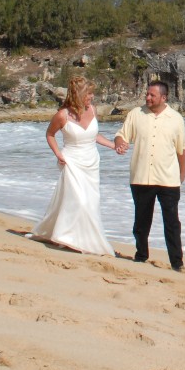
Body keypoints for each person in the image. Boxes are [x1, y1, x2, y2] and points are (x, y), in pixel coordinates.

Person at [29, 77, 115, 256]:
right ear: (78, 94)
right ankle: (68, 238)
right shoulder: (62, 115)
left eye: (92, 93)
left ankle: (74, 235)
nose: (92, 97)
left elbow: (94, 135)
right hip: (72, 161)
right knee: (79, 201)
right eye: (89, 93)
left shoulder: (93, 110)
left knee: (90, 202)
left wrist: (113, 145)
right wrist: (58, 154)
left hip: (91, 162)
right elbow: (50, 134)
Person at [114, 80, 185, 272]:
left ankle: (177, 262)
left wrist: (182, 172)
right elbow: (121, 135)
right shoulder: (136, 114)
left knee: (172, 222)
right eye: (147, 94)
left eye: (152, 95)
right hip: (141, 176)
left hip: (168, 179)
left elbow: (182, 148)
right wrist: (120, 142)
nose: (147, 97)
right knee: (141, 220)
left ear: (163, 98)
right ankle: (141, 255)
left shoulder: (176, 118)